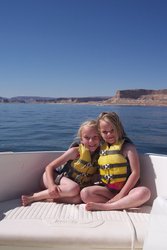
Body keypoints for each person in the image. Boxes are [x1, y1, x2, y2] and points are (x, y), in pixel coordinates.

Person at [80, 112, 151, 211]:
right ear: (100, 132)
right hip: (109, 191)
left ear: (118, 128)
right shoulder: (101, 148)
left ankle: (108, 206)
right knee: (85, 193)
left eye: (112, 130)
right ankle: (121, 204)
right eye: (105, 132)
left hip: (128, 191)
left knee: (144, 192)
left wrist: (121, 195)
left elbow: (136, 173)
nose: (109, 134)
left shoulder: (127, 147)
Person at [21, 120, 100, 206]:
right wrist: (51, 185)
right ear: (81, 139)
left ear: (100, 138)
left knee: (78, 198)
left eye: (95, 137)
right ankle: (33, 197)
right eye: (87, 138)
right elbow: (49, 167)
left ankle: (47, 198)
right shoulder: (75, 152)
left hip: (69, 189)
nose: (91, 141)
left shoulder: (99, 157)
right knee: (74, 188)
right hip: (50, 179)